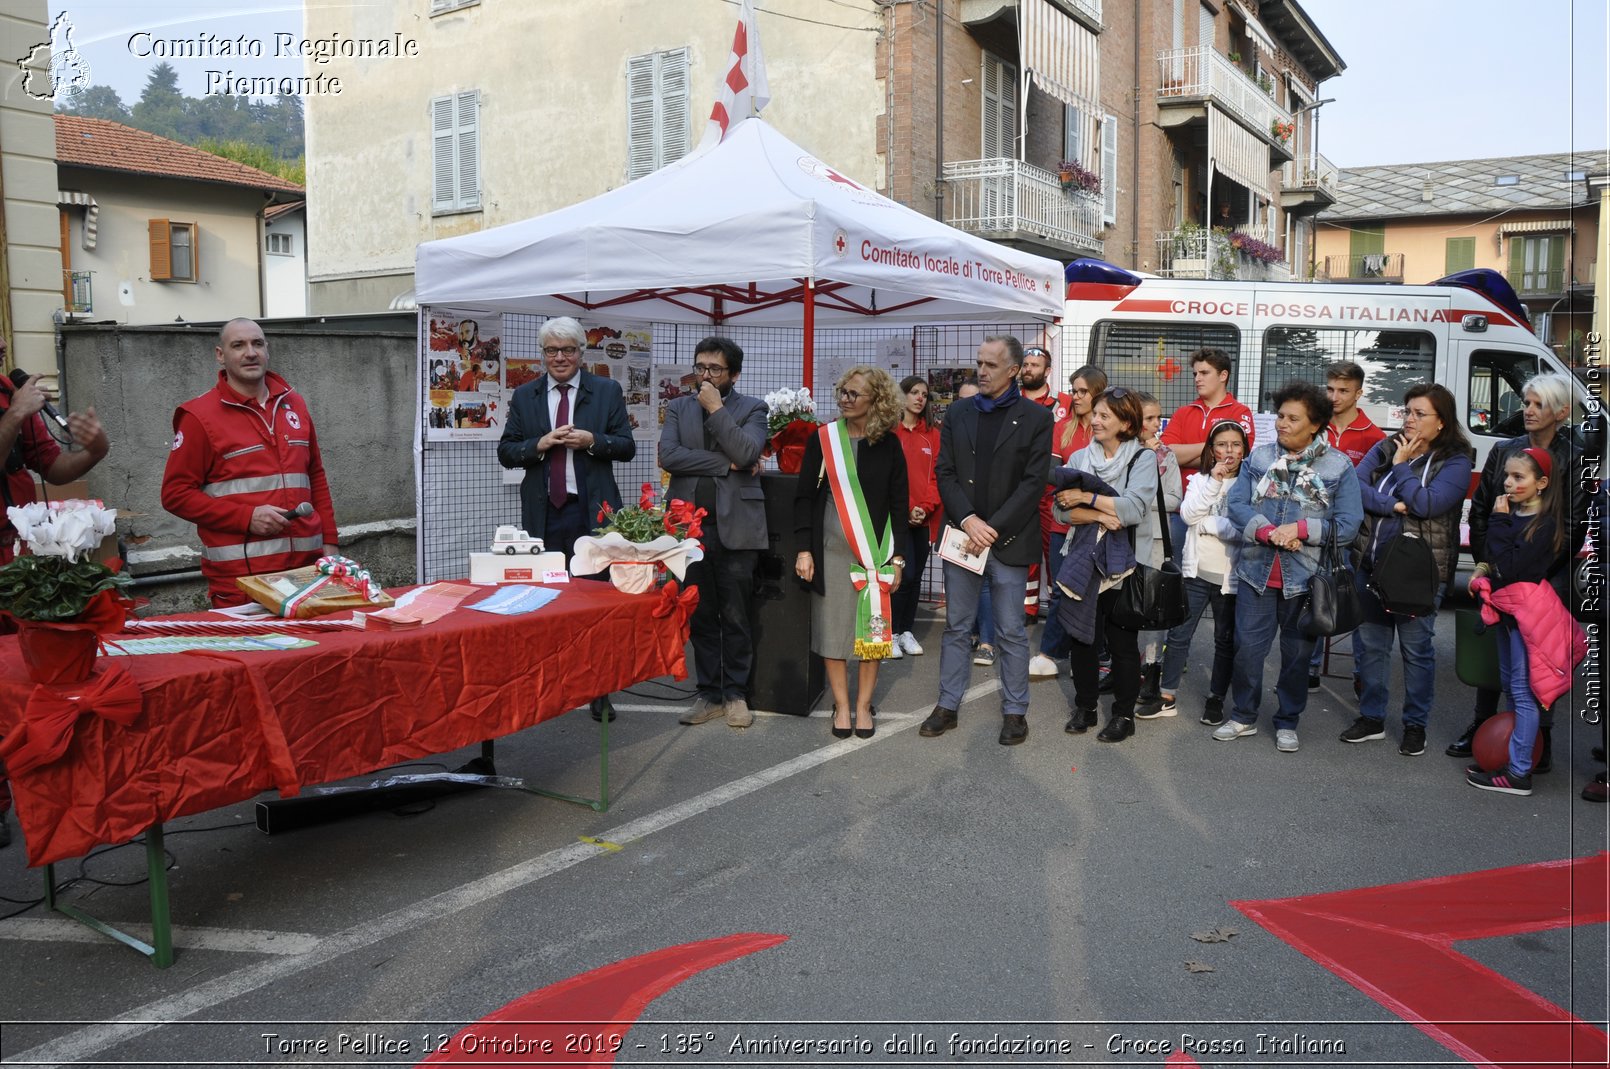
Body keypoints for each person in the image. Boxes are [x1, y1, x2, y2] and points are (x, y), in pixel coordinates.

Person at [0, 335, 112, 850]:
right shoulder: (15, 402)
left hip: (18, 557)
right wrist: (15, 414)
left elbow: (54, 469)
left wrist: (95, 448)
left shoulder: (9, 390)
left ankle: (28, 792)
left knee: (27, 677)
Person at [1215, 382, 1362, 753]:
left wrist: (1299, 530)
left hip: (1306, 579)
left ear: (1314, 424)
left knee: (1296, 658)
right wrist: (1267, 532)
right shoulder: (1260, 458)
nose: (1282, 424)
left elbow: (1347, 526)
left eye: (1292, 418)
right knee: (1248, 650)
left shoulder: (1338, 466)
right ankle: (1244, 715)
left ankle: (1287, 720)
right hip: (1255, 572)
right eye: (1280, 415)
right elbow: (1237, 506)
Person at [922, 336, 1053, 746]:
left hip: (1008, 540)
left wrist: (990, 526)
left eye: (991, 365)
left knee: (1012, 631)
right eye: (979, 362)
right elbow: (945, 473)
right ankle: (947, 705)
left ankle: (1015, 712)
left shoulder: (1036, 418)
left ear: (1013, 371)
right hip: (963, 537)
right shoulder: (959, 412)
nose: (981, 370)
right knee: (957, 627)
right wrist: (968, 520)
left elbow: (1033, 483)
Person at [1449, 373, 1586, 763]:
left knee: (1539, 662)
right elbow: (1482, 510)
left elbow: (1572, 526)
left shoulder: (1574, 457)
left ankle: (1538, 742)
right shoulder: (1504, 450)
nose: (1527, 410)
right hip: (1500, 568)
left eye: (1538, 404)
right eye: (1526, 402)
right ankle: (1484, 725)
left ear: (1561, 412)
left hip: (1545, 577)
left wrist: (1533, 573)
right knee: (1501, 655)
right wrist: (1487, 564)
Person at [161, 318, 338, 608]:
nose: (250, 352)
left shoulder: (294, 403)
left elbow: (314, 475)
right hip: (243, 585)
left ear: (267, 349)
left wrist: (330, 545)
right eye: (238, 345)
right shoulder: (198, 417)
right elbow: (175, 495)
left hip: (307, 575)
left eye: (257, 343)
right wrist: (246, 518)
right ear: (221, 355)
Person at [1340, 384, 1472, 757]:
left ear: (1441, 421)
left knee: (1416, 651)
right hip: (1370, 564)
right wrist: (1392, 506)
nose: (1409, 420)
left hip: (1418, 572)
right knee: (1372, 645)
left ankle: (1415, 725)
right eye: (1407, 412)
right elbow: (1354, 486)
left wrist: (1401, 468)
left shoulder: (1457, 460)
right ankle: (1372, 718)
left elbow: (1427, 504)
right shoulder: (1387, 445)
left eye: (1419, 414)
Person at [659, 336, 768, 731]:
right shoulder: (677, 408)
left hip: (736, 527)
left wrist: (716, 410)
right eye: (700, 367)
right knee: (701, 615)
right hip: (688, 530)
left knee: (735, 614)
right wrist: (724, 464)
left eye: (714, 369)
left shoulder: (753, 408)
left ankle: (736, 693)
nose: (704, 375)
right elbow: (669, 456)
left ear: (733, 374)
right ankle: (709, 693)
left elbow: (747, 453)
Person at [794, 367, 909, 739]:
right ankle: (842, 706)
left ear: (876, 400)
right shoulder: (823, 439)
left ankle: (863, 706)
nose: (845, 398)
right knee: (832, 631)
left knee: (872, 634)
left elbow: (898, 503)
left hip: (873, 555)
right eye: (842, 391)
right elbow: (804, 498)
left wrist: (899, 558)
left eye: (854, 393)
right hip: (829, 552)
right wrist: (803, 550)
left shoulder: (889, 444)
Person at [1053, 386, 1160, 742]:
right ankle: (1085, 707)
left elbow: (1133, 510)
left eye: (1103, 416)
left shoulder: (1141, 459)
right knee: (1082, 640)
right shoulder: (1081, 457)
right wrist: (1099, 515)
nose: (1094, 420)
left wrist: (1084, 498)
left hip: (1125, 565)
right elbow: (1058, 510)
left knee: (1122, 644)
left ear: (1126, 422)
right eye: (1094, 414)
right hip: (1083, 560)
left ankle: (1123, 715)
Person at [1466, 448, 1575, 795]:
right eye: (1507, 476)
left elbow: (1509, 566)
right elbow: (1496, 563)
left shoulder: (1542, 523)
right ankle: (1514, 759)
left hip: (1528, 619)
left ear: (1541, 483)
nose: (1509, 483)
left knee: (1525, 693)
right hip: (1512, 615)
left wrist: (1499, 521)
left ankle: (1518, 771)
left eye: (1519, 477)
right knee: (1513, 687)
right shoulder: (1519, 514)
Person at [497, 316, 635, 563]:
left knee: (594, 584)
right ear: (543, 353)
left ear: (581, 352)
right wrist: (538, 445)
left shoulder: (607, 391)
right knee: (547, 586)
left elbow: (627, 447)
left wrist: (592, 441)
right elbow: (506, 452)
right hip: (543, 511)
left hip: (593, 509)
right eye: (552, 350)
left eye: (568, 350)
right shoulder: (525, 396)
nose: (560, 358)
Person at [1156, 420, 1248, 726]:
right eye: (1221, 444)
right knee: (1179, 635)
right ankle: (1166, 694)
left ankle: (1216, 698)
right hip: (1195, 574)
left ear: (1245, 449)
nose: (1228, 451)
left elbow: (1244, 530)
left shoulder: (1250, 485)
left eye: (1236, 444)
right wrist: (1214, 483)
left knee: (1225, 641)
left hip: (1230, 581)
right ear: (1211, 448)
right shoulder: (1199, 480)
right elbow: (1189, 513)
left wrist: (1209, 525)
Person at [1307, 360, 1388, 689]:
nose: (1334, 396)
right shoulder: (1315, 427)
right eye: (1330, 389)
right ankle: (1309, 668)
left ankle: (1360, 675)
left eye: (1343, 390)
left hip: (1354, 536)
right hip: (1314, 529)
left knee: (1354, 600)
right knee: (1313, 596)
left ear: (1359, 393)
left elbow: (1374, 490)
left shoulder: (1375, 437)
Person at [1161, 348, 1254, 552]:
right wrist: (1210, 447)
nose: (1197, 379)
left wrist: (1185, 455)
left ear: (1223, 375)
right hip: (1182, 510)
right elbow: (1166, 456)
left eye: (1204, 373)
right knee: (1179, 577)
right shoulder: (1184, 412)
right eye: (1195, 373)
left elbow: (1235, 459)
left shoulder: (1240, 412)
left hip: (1222, 513)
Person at [1132, 391, 1183, 718]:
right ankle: (1123, 671)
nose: (1156, 425)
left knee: (1151, 612)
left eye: (1157, 418)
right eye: (1149, 419)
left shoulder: (1166, 455)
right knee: (1124, 609)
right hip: (1122, 542)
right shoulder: (1122, 453)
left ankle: (1150, 674)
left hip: (1154, 543)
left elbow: (1174, 498)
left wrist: (1135, 501)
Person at [890, 374, 941, 659]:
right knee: (901, 576)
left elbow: (937, 477)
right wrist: (908, 506)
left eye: (924, 394)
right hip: (895, 517)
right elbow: (890, 476)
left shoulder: (933, 434)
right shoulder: (890, 431)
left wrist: (925, 506)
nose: (920, 398)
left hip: (922, 517)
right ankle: (893, 633)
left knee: (915, 576)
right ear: (903, 396)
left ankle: (906, 631)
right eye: (914, 392)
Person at [1018, 344, 1067, 626]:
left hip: (1049, 490)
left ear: (1048, 371)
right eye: (1025, 364)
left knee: (1053, 551)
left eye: (1035, 365)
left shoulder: (1063, 404)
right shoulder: (1011, 399)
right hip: (1019, 488)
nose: (1028, 369)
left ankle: (1057, 609)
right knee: (1025, 551)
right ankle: (1028, 609)